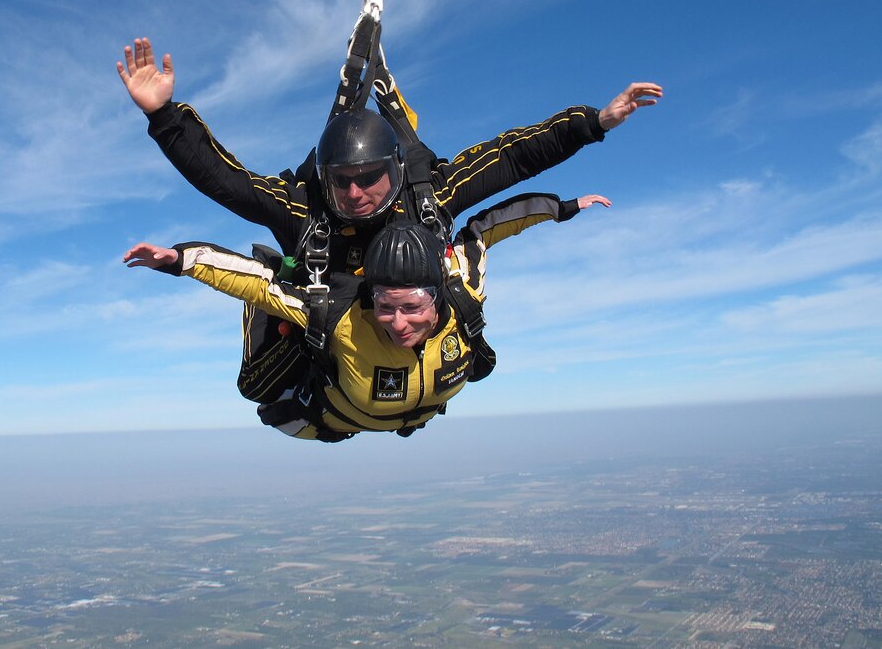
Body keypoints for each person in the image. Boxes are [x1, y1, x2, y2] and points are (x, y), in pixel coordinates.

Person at [117, 36, 663, 401]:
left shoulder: (428, 193)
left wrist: (596, 122)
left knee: (471, 346)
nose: (354, 193)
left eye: (369, 177)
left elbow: (513, 156)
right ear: (324, 178)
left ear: (395, 170)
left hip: (407, 331)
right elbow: (225, 181)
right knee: (260, 388)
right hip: (328, 334)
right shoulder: (306, 211)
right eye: (341, 181)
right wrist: (163, 116)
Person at [124, 192, 611, 442]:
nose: (398, 323)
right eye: (385, 308)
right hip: (327, 421)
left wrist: (564, 208)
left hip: (408, 413)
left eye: (412, 308)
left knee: (478, 362)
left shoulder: (462, 286)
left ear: (437, 296)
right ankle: (287, 322)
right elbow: (250, 280)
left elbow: (488, 227)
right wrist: (180, 260)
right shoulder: (339, 315)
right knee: (265, 378)